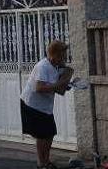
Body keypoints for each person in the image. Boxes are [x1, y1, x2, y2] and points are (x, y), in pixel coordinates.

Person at [20, 40, 74, 169]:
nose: (64, 58)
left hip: (45, 107)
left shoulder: (56, 67)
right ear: (54, 55)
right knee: (42, 135)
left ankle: (46, 161)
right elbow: (39, 88)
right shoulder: (42, 66)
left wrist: (67, 85)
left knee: (50, 133)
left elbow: (56, 87)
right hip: (32, 105)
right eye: (62, 55)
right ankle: (41, 163)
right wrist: (59, 84)